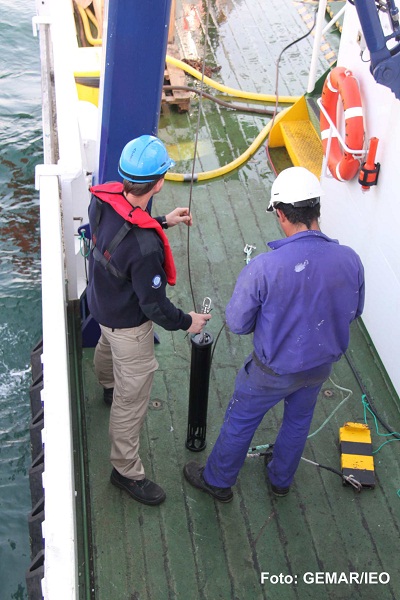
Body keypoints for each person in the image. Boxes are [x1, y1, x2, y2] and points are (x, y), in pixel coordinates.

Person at [184, 166, 365, 502]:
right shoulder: (350, 260)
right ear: (317, 210)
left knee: (241, 420)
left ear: (281, 214)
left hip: (270, 372)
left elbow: (237, 323)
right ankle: (281, 479)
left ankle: (219, 481)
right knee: (298, 421)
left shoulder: (265, 267)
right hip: (318, 369)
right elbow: (353, 311)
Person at [87, 134, 211, 506]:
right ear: (158, 183)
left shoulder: (102, 199)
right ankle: (125, 471)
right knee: (132, 399)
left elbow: (121, 231)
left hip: (100, 304)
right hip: (128, 326)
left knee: (104, 346)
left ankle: (106, 385)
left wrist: (163, 221)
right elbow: (155, 308)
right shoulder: (146, 248)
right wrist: (187, 321)